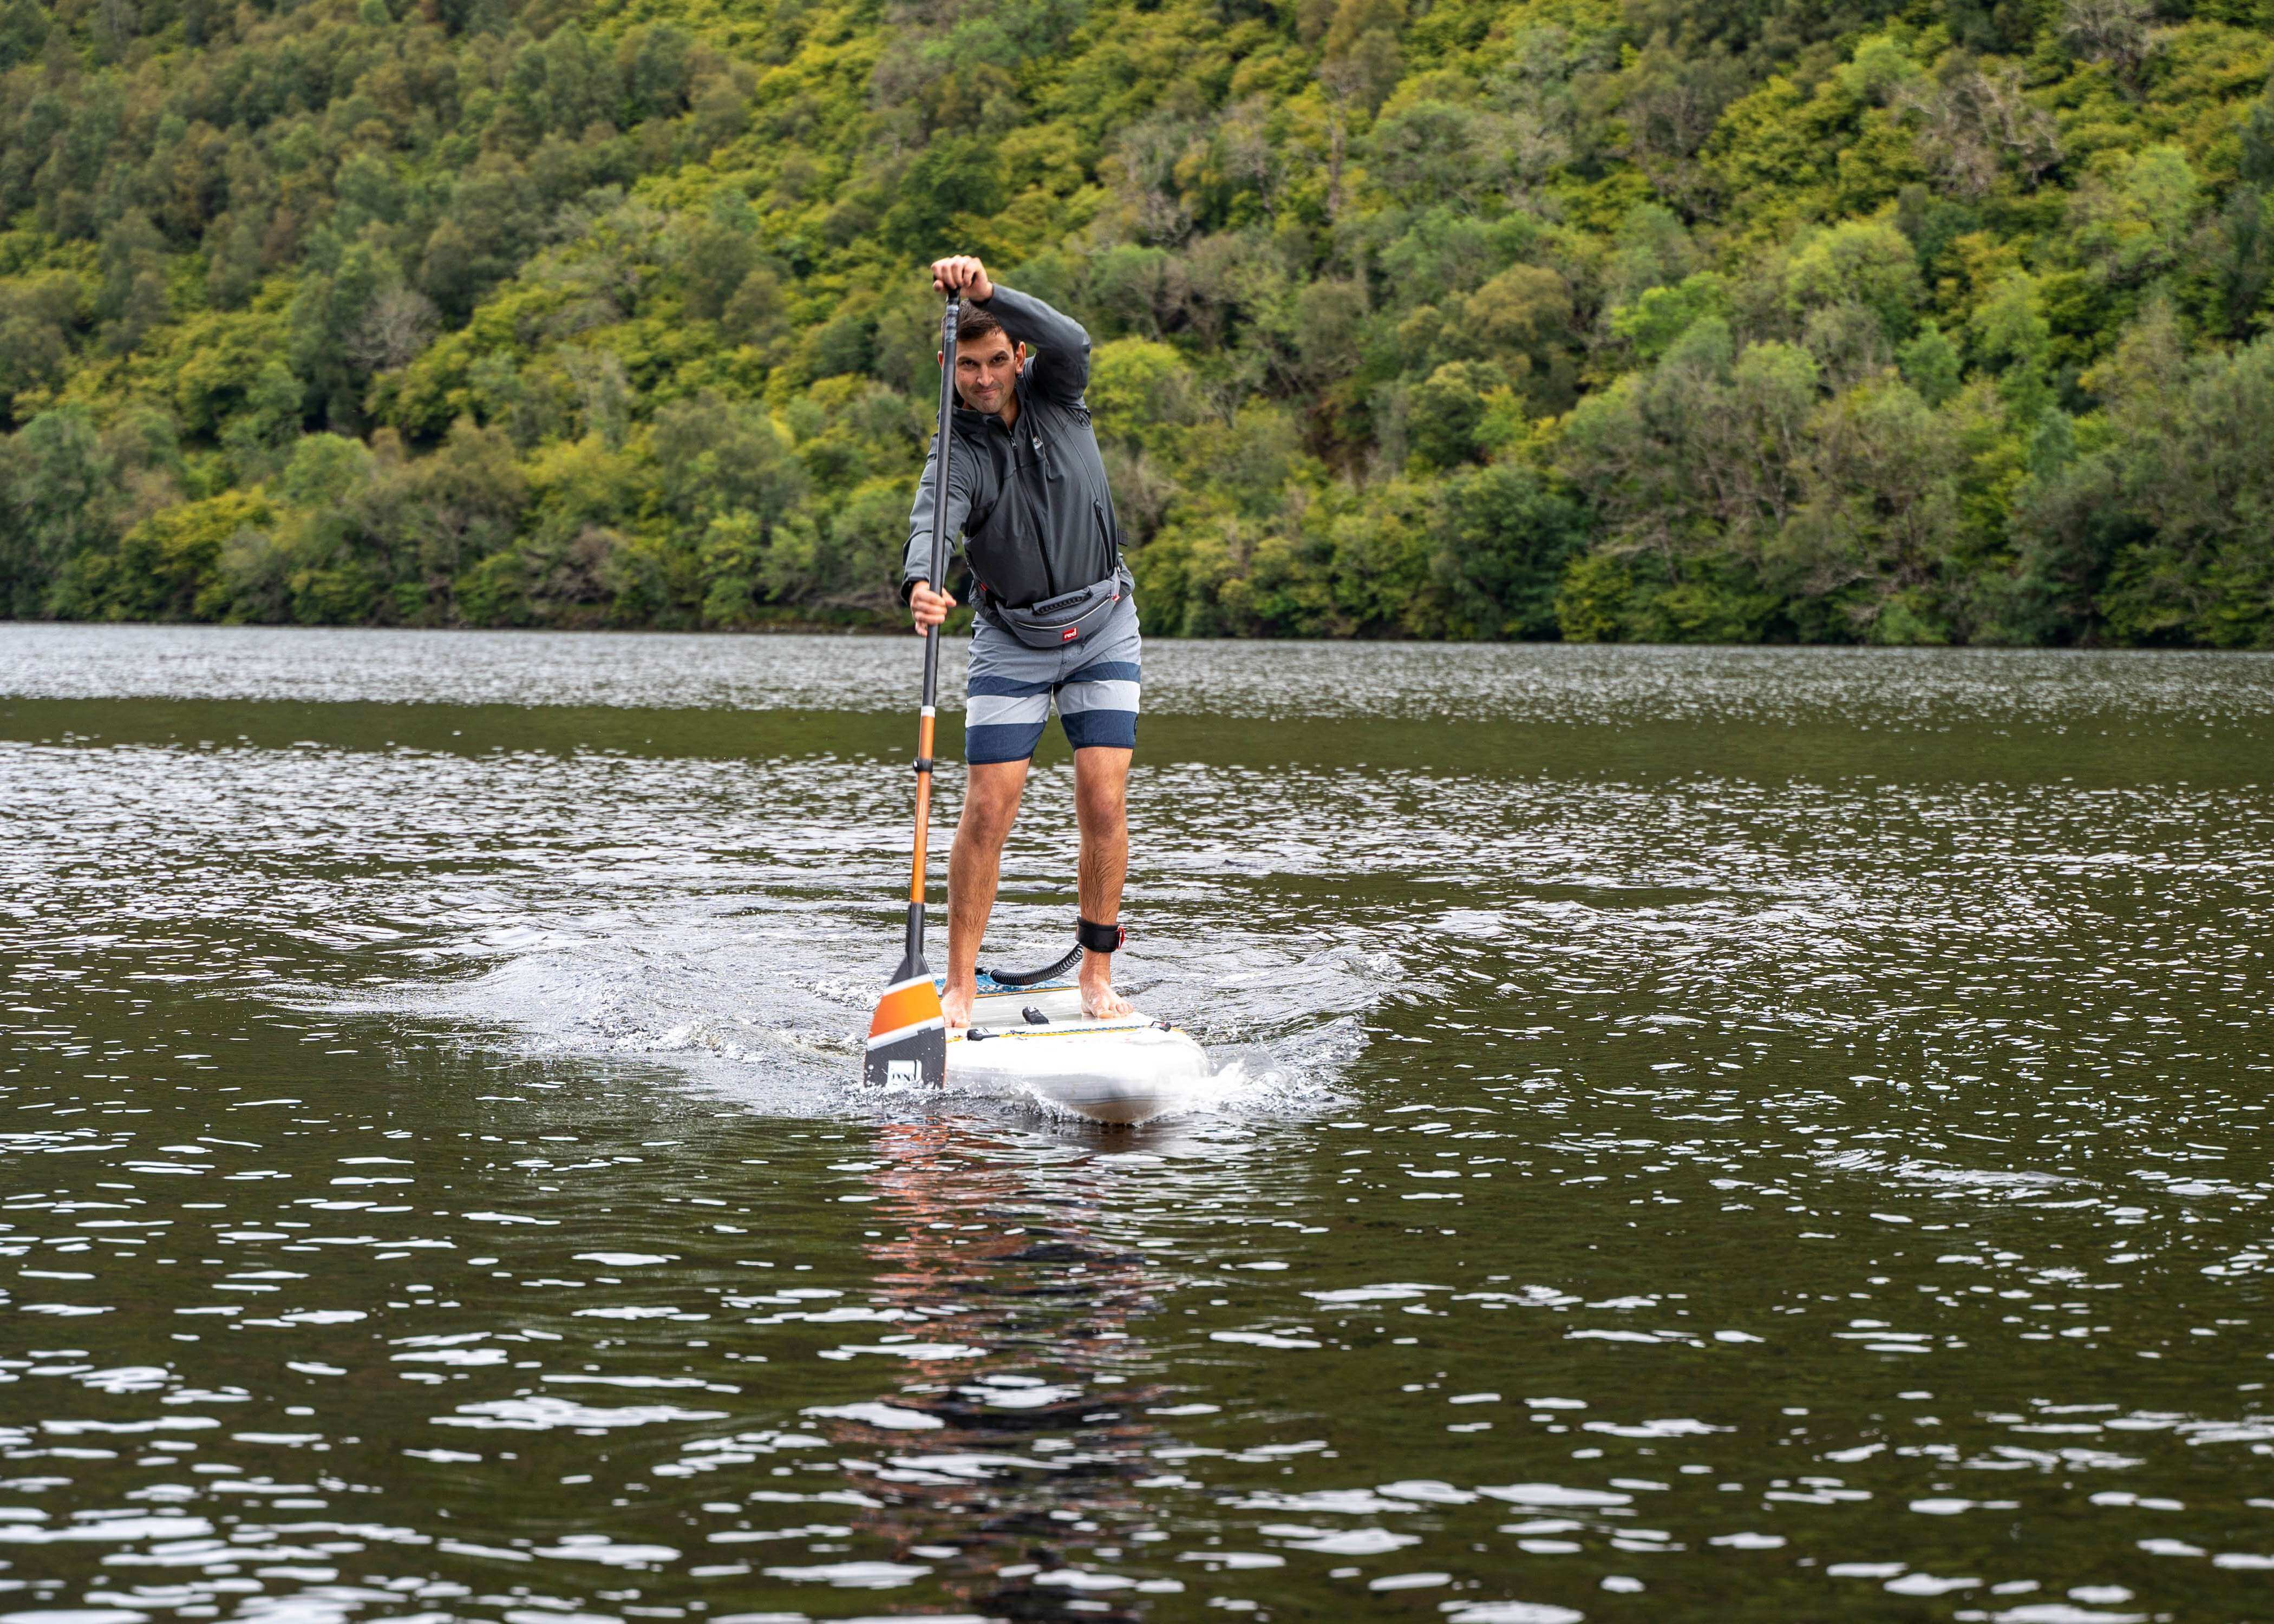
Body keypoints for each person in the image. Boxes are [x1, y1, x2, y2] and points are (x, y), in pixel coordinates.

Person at [902, 254, 1138, 1032]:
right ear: (950, 365)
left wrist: (988, 293)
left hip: (1103, 623)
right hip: (1012, 638)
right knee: (987, 808)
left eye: (997, 361)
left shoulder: (1059, 396)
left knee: (1102, 795)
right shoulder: (957, 446)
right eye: (968, 365)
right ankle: (960, 986)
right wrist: (921, 583)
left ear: (1019, 358)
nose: (984, 378)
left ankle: (1097, 976)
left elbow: (1071, 339)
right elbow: (935, 518)